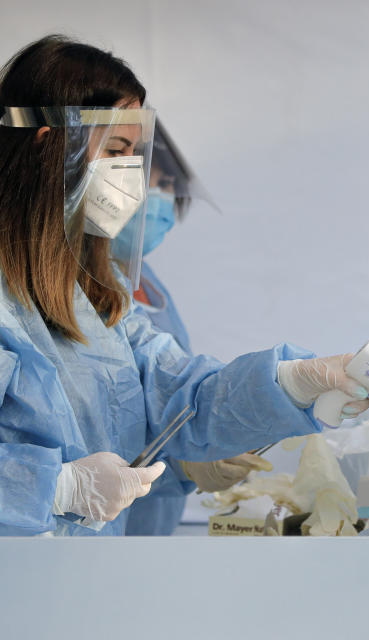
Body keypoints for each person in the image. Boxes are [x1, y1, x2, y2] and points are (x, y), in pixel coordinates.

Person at [0, 35, 369, 537]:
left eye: (136, 152)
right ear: (51, 148)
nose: (132, 174)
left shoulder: (88, 296)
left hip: (82, 585)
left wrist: (291, 382)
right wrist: (59, 489)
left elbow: (182, 398)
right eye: (119, 149)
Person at [121, 121, 271, 535]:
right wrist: (180, 464)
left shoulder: (146, 281)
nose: (158, 197)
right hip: (99, 527)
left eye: (167, 184)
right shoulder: (74, 292)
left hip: (154, 522)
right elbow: (91, 428)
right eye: (145, 180)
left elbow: (173, 392)